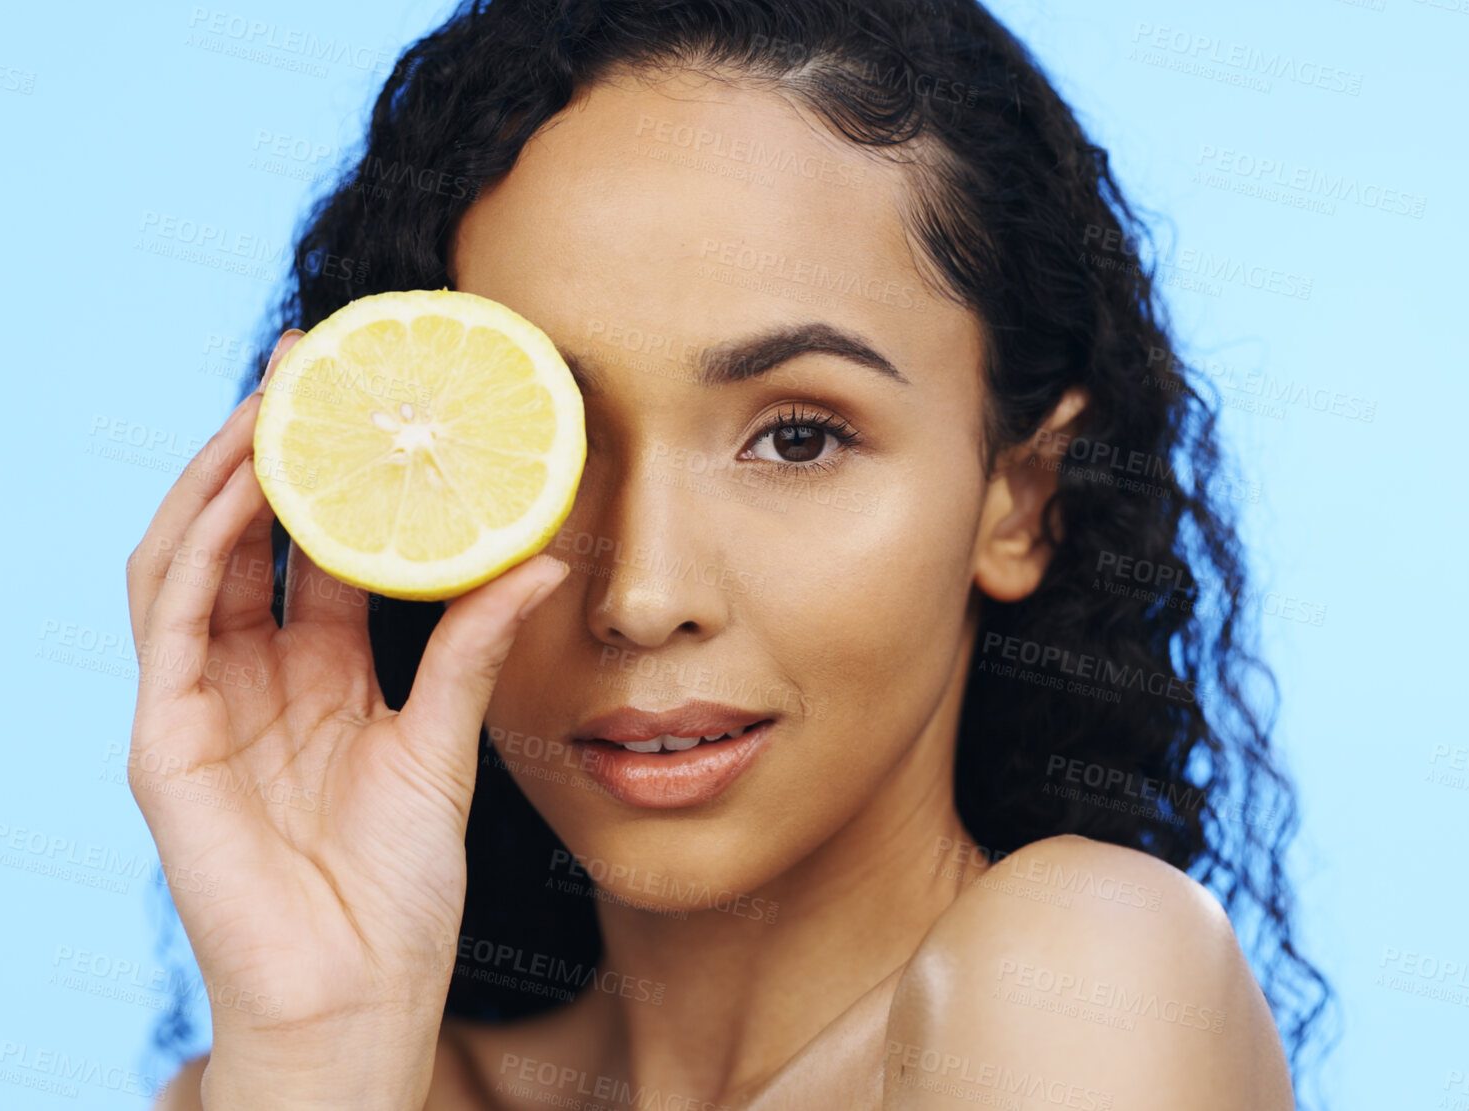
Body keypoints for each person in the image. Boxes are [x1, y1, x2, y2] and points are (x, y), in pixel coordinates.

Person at [123, 1, 1329, 1106]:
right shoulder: (291, 1078)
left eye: (798, 439)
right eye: (560, 440)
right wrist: (320, 1045)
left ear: (1020, 499)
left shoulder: (1082, 974)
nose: (644, 595)